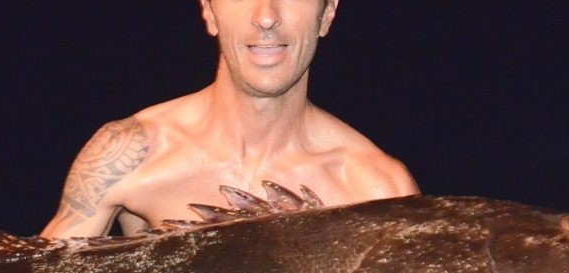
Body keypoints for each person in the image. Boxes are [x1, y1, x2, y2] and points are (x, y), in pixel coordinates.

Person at [41, 0, 418, 238]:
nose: (267, 16)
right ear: (208, 10)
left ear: (328, 13)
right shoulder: (128, 152)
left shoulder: (379, 193)